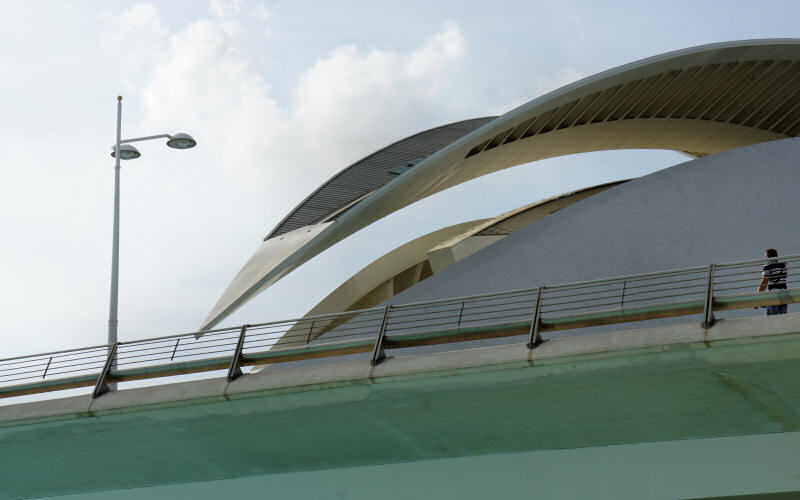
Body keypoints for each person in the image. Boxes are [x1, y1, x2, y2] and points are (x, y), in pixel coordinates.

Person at [757, 248, 788, 315]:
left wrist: (757, 296)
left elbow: (764, 281)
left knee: (772, 317)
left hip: (774, 294)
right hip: (785, 293)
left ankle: (760, 303)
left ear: (766, 257)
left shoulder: (767, 266)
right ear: (777, 256)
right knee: (783, 317)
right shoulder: (783, 265)